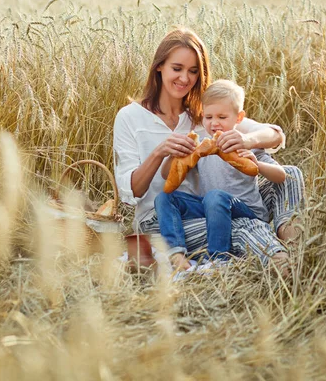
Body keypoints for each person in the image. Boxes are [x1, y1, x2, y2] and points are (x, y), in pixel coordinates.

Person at [112, 27, 304, 273]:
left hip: (212, 206)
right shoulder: (130, 117)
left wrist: (247, 141)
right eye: (177, 68)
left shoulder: (204, 116)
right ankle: (280, 262)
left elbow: (275, 134)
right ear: (159, 66)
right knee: (239, 225)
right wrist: (160, 152)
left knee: (291, 175)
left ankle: (289, 233)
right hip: (163, 220)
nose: (185, 78)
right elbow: (132, 191)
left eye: (193, 71)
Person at [155, 79, 287, 270]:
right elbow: (167, 175)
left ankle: (218, 260)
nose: (214, 123)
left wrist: (257, 164)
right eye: (208, 117)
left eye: (222, 117)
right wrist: (174, 155)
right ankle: (176, 253)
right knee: (165, 197)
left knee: (214, 196)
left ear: (238, 118)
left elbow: (281, 175)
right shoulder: (202, 148)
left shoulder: (242, 145)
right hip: (210, 208)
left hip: (246, 210)